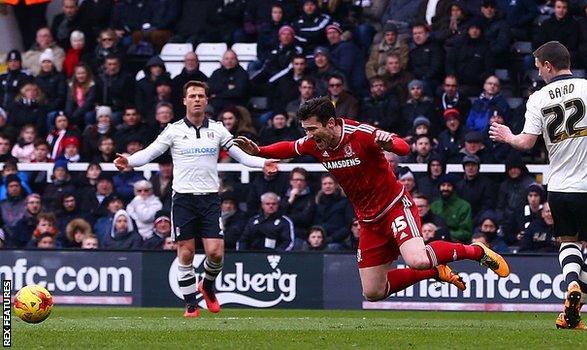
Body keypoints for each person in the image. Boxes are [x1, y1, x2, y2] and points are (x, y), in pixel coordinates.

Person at [234, 96, 509, 304]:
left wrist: (390, 143)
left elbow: (402, 146)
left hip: (394, 207)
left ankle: (477, 251)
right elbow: (288, 148)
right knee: (374, 292)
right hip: (368, 220)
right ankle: (435, 272)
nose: (308, 136)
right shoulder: (315, 144)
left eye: (312, 129)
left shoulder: (361, 135)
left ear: (330, 123)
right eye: (305, 130)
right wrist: (259, 150)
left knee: (417, 259)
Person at [114, 80, 278, 318]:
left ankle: (208, 286)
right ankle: (191, 304)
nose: (197, 99)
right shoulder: (173, 130)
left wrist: (264, 163)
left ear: (207, 100)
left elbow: (241, 156)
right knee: (187, 253)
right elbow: (150, 153)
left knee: (215, 253)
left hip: (210, 199)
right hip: (183, 199)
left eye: (201, 95)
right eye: (192, 96)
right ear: (184, 101)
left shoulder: (218, 129)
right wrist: (129, 160)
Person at [489, 41, 587, 330]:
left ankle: (571, 288)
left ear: (549, 66)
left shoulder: (537, 98)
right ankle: (574, 303)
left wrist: (507, 135)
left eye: (539, 67)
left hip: (558, 187)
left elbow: (525, 142)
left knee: (568, 242)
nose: (538, 74)